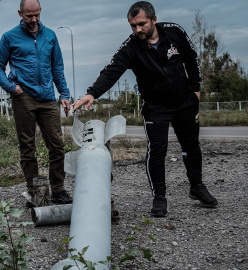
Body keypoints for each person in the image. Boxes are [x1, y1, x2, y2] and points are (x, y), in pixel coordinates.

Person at [73, 1, 218, 217]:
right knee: (157, 151)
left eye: (141, 24)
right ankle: (159, 197)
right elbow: (112, 72)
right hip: (156, 107)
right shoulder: (130, 47)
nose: (137, 30)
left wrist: (196, 89)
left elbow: (191, 59)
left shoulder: (175, 32)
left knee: (191, 145)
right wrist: (92, 93)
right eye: (132, 26)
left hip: (185, 102)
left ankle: (197, 187)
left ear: (154, 19)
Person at [0, 0, 73, 206]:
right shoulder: (9, 37)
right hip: (23, 97)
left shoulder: (50, 36)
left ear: (40, 12)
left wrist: (64, 93)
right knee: (28, 147)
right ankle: (36, 193)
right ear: (20, 13)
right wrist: (11, 87)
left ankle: (58, 190)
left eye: (36, 15)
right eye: (29, 16)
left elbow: (58, 67)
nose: (34, 19)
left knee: (57, 146)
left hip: (47, 97)